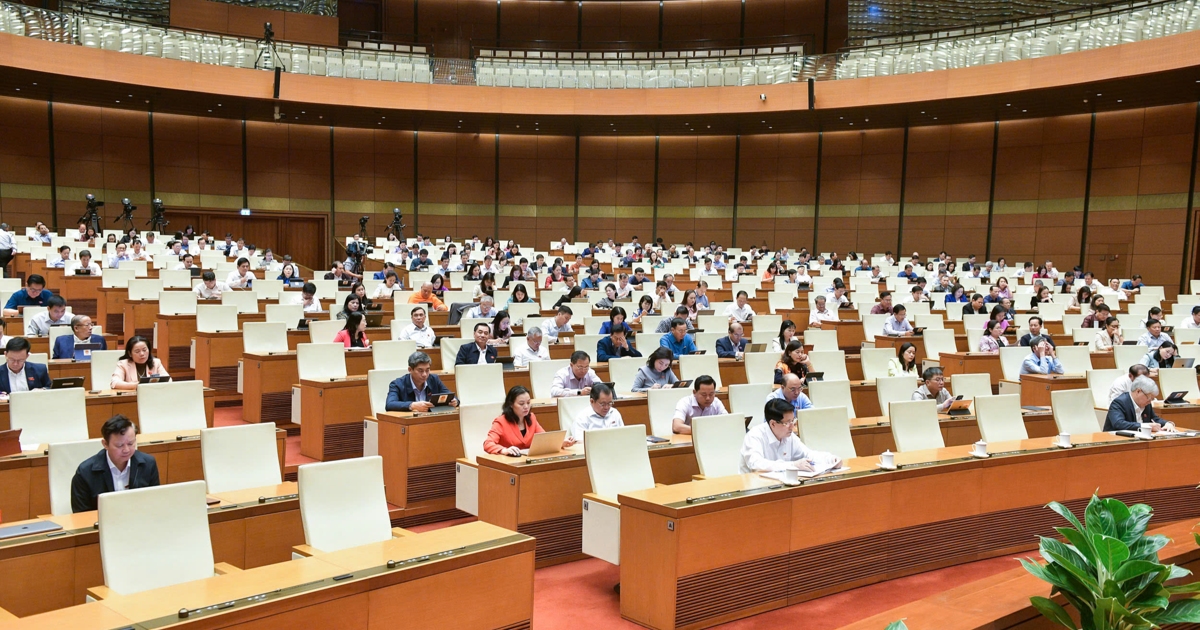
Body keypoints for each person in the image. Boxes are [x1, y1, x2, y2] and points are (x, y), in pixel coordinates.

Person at [69, 415, 160, 513]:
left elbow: (154, 502)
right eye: (119, 445)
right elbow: (81, 514)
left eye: (131, 443)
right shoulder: (85, 472)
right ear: (105, 444)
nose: (126, 450)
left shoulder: (148, 464)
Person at [740, 398, 842, 473]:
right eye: (787, 422)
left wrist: (830, 459)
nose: (792, 426)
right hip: (754, 488)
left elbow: (807, 454)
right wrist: (793, 465)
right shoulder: (754, 436)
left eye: (793, 420)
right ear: (773, 423)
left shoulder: (789, 436)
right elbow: (756, 465)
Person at [484, 386, 575, 456]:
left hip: (528, 461)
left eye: (528, 403)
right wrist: (504, 450)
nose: (526, 407)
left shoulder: (531, 417)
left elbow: (544, 439)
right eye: (521, 404)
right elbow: (488, 444)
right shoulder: (501, 422)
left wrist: (561, 443)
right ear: (511, 404)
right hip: (509, 463)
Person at [385, 351, 458, 412]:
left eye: (427, 370)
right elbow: (389, 404)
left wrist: (455, 401)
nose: (424, 374)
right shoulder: (397, 384)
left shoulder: (434, 379)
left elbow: (451, 396)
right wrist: (412, 405)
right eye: (420, 371)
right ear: (410, 369)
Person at [1104, 376, 1174, 432]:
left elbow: (1154, 419)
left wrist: (1167, 423)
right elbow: (1119, 424)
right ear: (1138, 391)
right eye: (1149, 398)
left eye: (1152, 399)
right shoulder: (1119, 402)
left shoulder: (1146, 403)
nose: (1150, 402)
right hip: (1116, 441)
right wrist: (1145, 426)